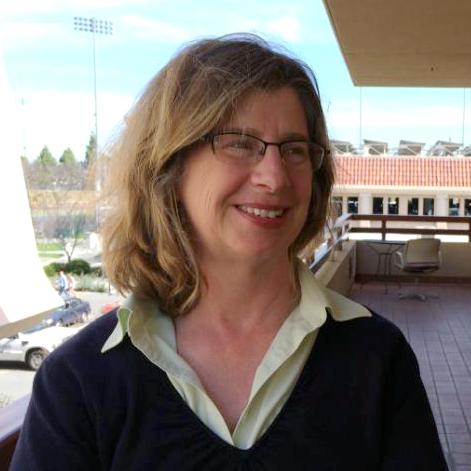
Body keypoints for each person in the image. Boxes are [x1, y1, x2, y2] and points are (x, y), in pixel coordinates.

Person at [11, 35, 447, 470]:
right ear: (169, 165)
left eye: (295, 149)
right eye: (239, 142)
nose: (275, 177)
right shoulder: (79, 380)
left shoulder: (376, 359)